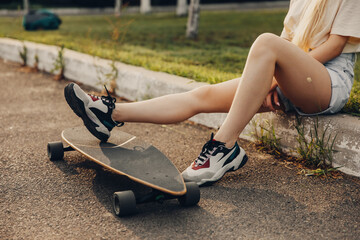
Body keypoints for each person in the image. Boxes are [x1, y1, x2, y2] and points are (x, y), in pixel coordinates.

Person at [64, 0, 359, 186]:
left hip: (328, 81)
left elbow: (334, 46)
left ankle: (223, 147)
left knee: (265, 43)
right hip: (290, 77)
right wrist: (276, 79)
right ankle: (110, 113)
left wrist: (276, 81)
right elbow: (288, 40)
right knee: (203, 95)